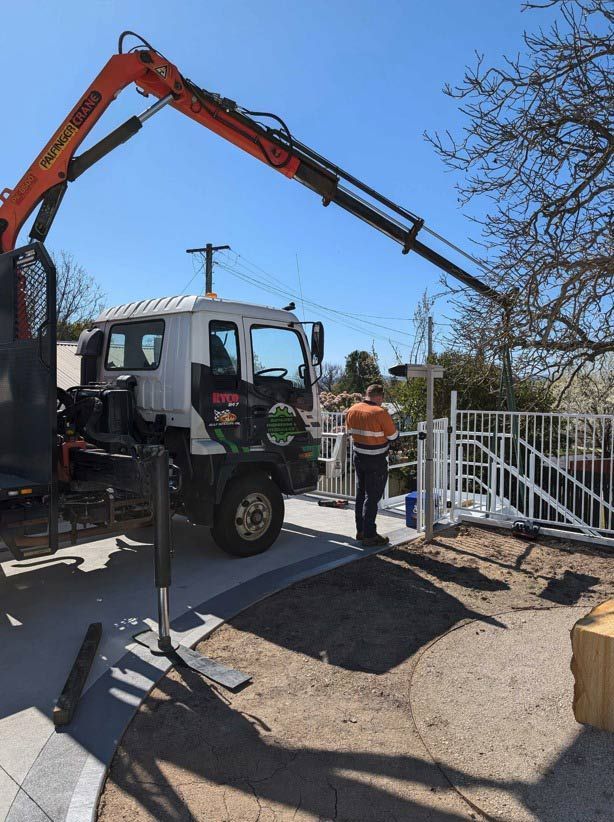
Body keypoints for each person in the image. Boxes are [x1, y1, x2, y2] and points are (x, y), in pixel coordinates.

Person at [345, 384, 398, 546]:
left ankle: (360, 531)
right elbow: (393, 435)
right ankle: (370, 535)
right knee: (372, 497)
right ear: (379, 397)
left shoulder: (352, 410)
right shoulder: (380, 413)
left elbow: (349, 433)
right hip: (376, 460)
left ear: (366, 394)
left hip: (359, 457)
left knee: (361, 494)